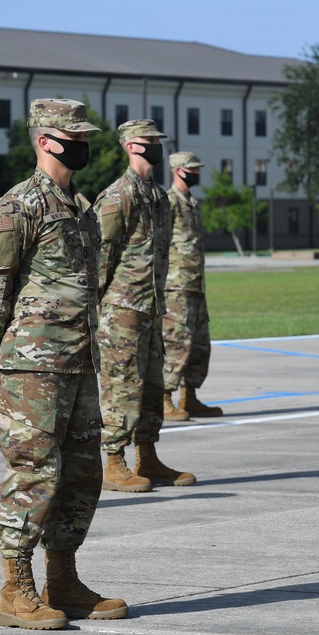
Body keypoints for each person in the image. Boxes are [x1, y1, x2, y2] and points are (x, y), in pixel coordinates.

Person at [0, 98, 128, 630]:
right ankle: (16, 589)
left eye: (84, 136)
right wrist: (7, 355)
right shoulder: (17, 207)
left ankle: (63, 579)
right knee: (34, 472)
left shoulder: (81, 208)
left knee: (83, 475)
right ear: (45, 140)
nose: (81, 145)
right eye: (72, 137)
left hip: (81, 361)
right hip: (34, 367)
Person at [94, 119, 196, 493]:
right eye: (150, 141)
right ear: (132, 146)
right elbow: (101, 257)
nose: (157, 146)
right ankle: (114, 461)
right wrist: (99, 309)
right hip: (122, 309)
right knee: (122, 384)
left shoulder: (157, 196)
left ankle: (148, 456)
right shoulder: (118, 196)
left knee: (152, 384)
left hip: (152, 305)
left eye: (158, 140)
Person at [162, 151, 223, 420]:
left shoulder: (192, 203)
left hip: (195, 285)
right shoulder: (169, 202)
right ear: (177, 170)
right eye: (192, 169)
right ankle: (164, 397)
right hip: (176, 287)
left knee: (199, 344)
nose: (196, 173)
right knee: (177, 343)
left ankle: (190, 397)